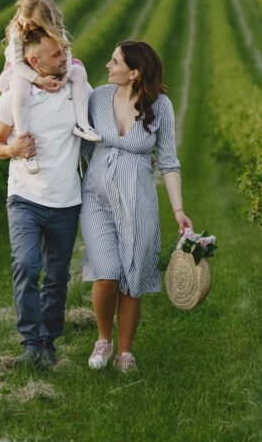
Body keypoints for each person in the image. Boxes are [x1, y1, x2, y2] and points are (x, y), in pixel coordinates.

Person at [81, 41, 192, 373]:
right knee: (107, 273)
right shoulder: (98, 98)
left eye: (114, 61)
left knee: (132, 275)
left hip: (138, 200)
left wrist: (178, 210)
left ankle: (125, 352)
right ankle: (103, 339)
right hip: (96, 198)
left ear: (134, 72)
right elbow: (77, 138)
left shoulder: (160, 107)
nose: (107, 65)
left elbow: (169, 163)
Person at [0, 28, 91, 369]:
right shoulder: (14, 100)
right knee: (27, 265)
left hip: (66, 201)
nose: (66, 59)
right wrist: (11, 148)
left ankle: (49, 341)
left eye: (65, 52)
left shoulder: (75, 91)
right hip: (25, 198)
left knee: (58, 275)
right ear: (34, 61)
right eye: (57, 55)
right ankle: (31, 341)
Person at [0, 0, 101, 175]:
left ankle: (83, 124)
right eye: (24, 19)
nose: (26, 26)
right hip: (20, 68)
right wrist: (40, 80)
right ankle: (24, 141)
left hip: (48, 63)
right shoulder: (17, 31)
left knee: (79, 73)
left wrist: (65, 78)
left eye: (33, 23)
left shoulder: (55, 27)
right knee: (20, 90)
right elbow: (18, 64)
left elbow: (66, 53)